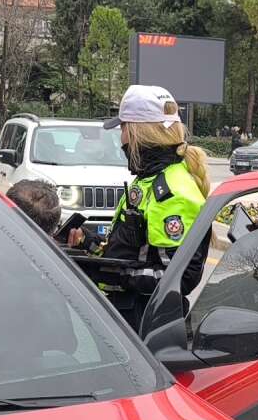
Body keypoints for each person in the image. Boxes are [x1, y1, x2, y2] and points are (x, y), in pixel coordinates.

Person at [67, 85, 210, 329]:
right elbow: (134, 253)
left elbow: (178, 279)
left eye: (122, 128)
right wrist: (87, 243)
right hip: (129, 316)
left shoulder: (170, 192)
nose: (120, 137)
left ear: (136, 134)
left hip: (148, 324)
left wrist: (105, 273)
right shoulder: (149, 178)